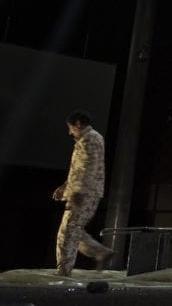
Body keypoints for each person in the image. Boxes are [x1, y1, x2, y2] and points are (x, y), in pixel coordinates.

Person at [52, 110, 114, 276]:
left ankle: (64, 271)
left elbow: (89, 167)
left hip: (85, 193)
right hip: (85, 191)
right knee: (73, 229)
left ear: (78, 124)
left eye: (71, 127)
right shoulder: (89, 139)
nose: (70, 132)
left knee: (67, 233)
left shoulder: (90, 139)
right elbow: (79, 168)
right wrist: (66, 186)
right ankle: (100, 252)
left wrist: (77, 192)